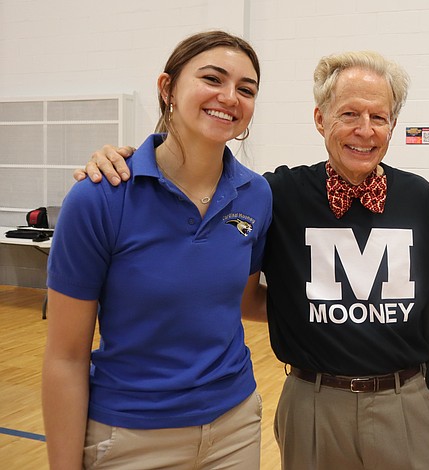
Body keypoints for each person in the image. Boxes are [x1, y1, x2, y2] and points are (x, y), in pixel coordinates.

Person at [77, 50, 429, 470]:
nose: (365, 130)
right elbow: (195, 187)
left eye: (379, 118)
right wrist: (123, 161)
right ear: (320, 119)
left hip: (406, 402)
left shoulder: (417, 197)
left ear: (393, 126)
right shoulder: (274, 195)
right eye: (349, 114)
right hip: (311, 404)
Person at [43, 31, 271, 469]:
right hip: (130, 437)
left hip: (235, 429)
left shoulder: (256, 195)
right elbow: (65, 357)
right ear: (167, 88)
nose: (229, 97)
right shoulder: (100, 196)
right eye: (212, 79)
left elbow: (244, 301)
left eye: (246, 89)